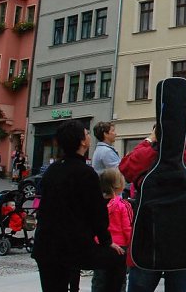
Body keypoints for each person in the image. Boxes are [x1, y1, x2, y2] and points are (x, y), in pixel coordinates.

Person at [120, 121, 186, 292]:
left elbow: (125, 165)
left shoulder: (148, 157)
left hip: (148, 239)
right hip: (184, 241)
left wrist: (150, 139)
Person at [31, 121, 125, 292]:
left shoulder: (53, 170)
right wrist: (107, 242)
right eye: (87, 134)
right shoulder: (85, 173)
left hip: (46, 244)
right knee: (117, 259)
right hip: (73, 245)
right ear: (82, 141)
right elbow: (97, 213)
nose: (89, 136)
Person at [93, 168, 133, 292]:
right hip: (120, 248)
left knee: (100, 279)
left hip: (101, 245)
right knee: (119, 281)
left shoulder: (97, 204)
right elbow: (127, 228)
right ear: (119, 186)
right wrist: (131, 246)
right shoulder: (123, 205)